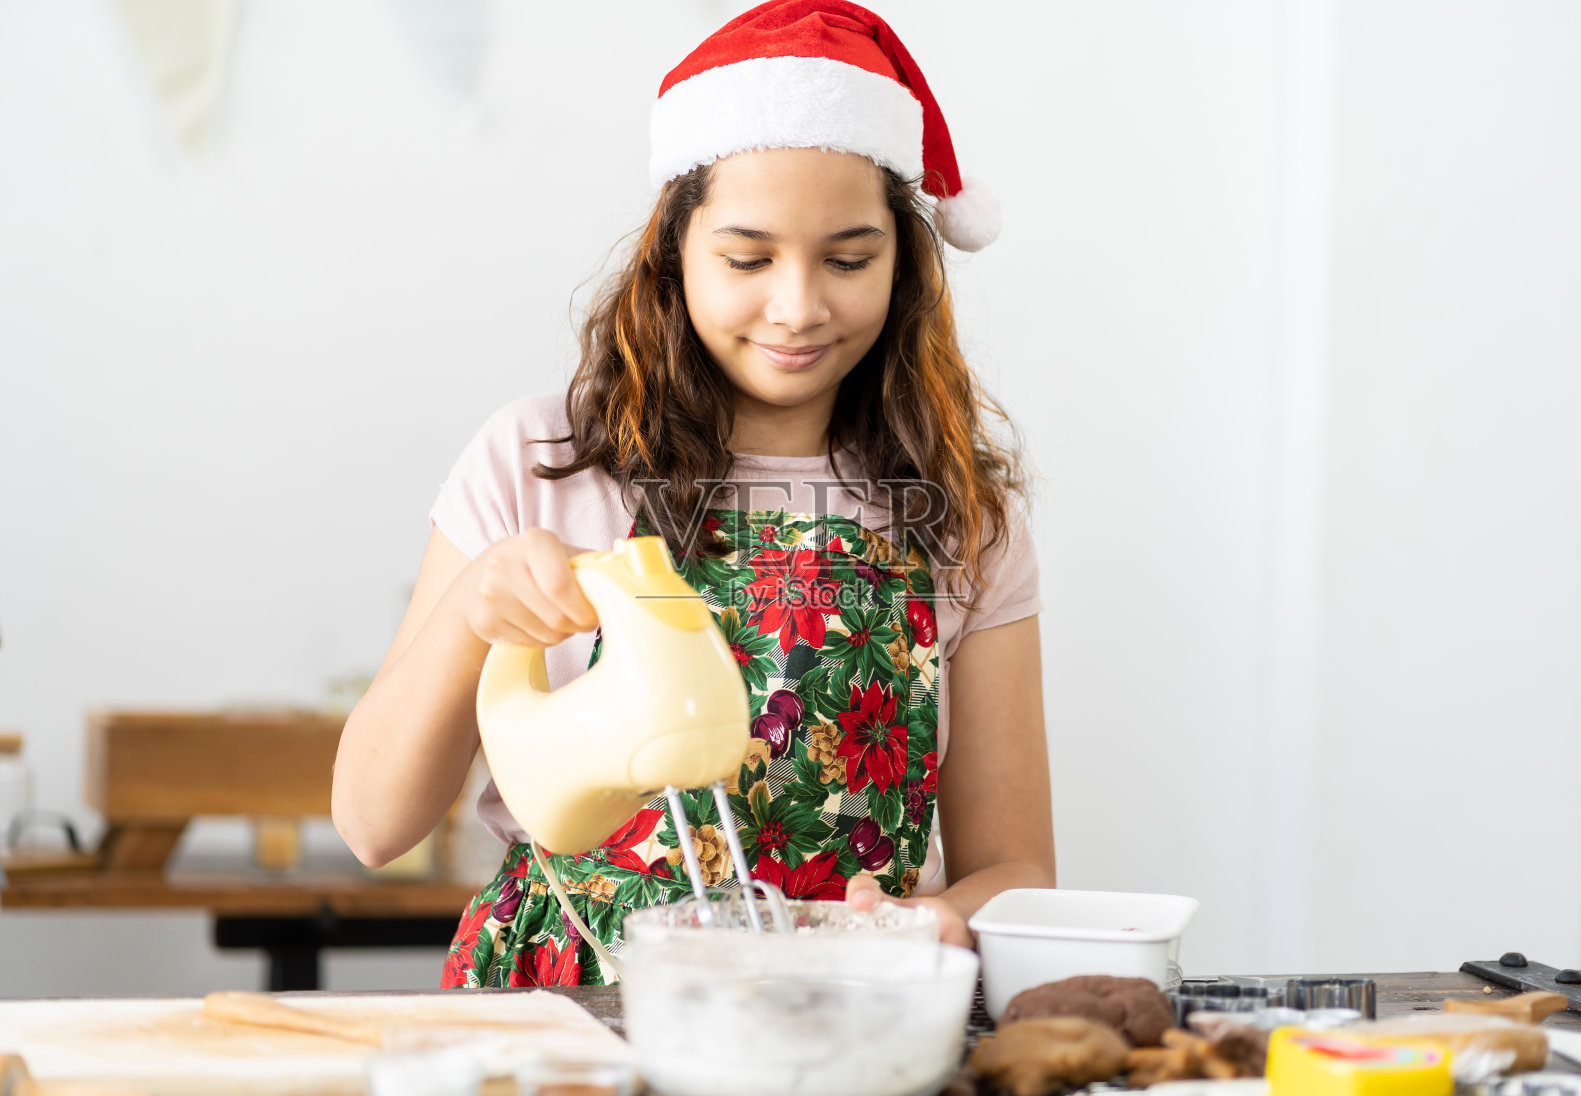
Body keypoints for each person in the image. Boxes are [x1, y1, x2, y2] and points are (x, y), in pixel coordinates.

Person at [331, 0, 1054, 989]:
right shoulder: (543, 461)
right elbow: (374, 824)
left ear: (905, 259)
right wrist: (471, 611)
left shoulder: (956, 513)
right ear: (675, 250)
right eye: (746, 259)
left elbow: (1015, 871)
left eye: (848, 259)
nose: (797, 305)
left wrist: (939, 924)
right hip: (562, 1020)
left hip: (837, 1018)